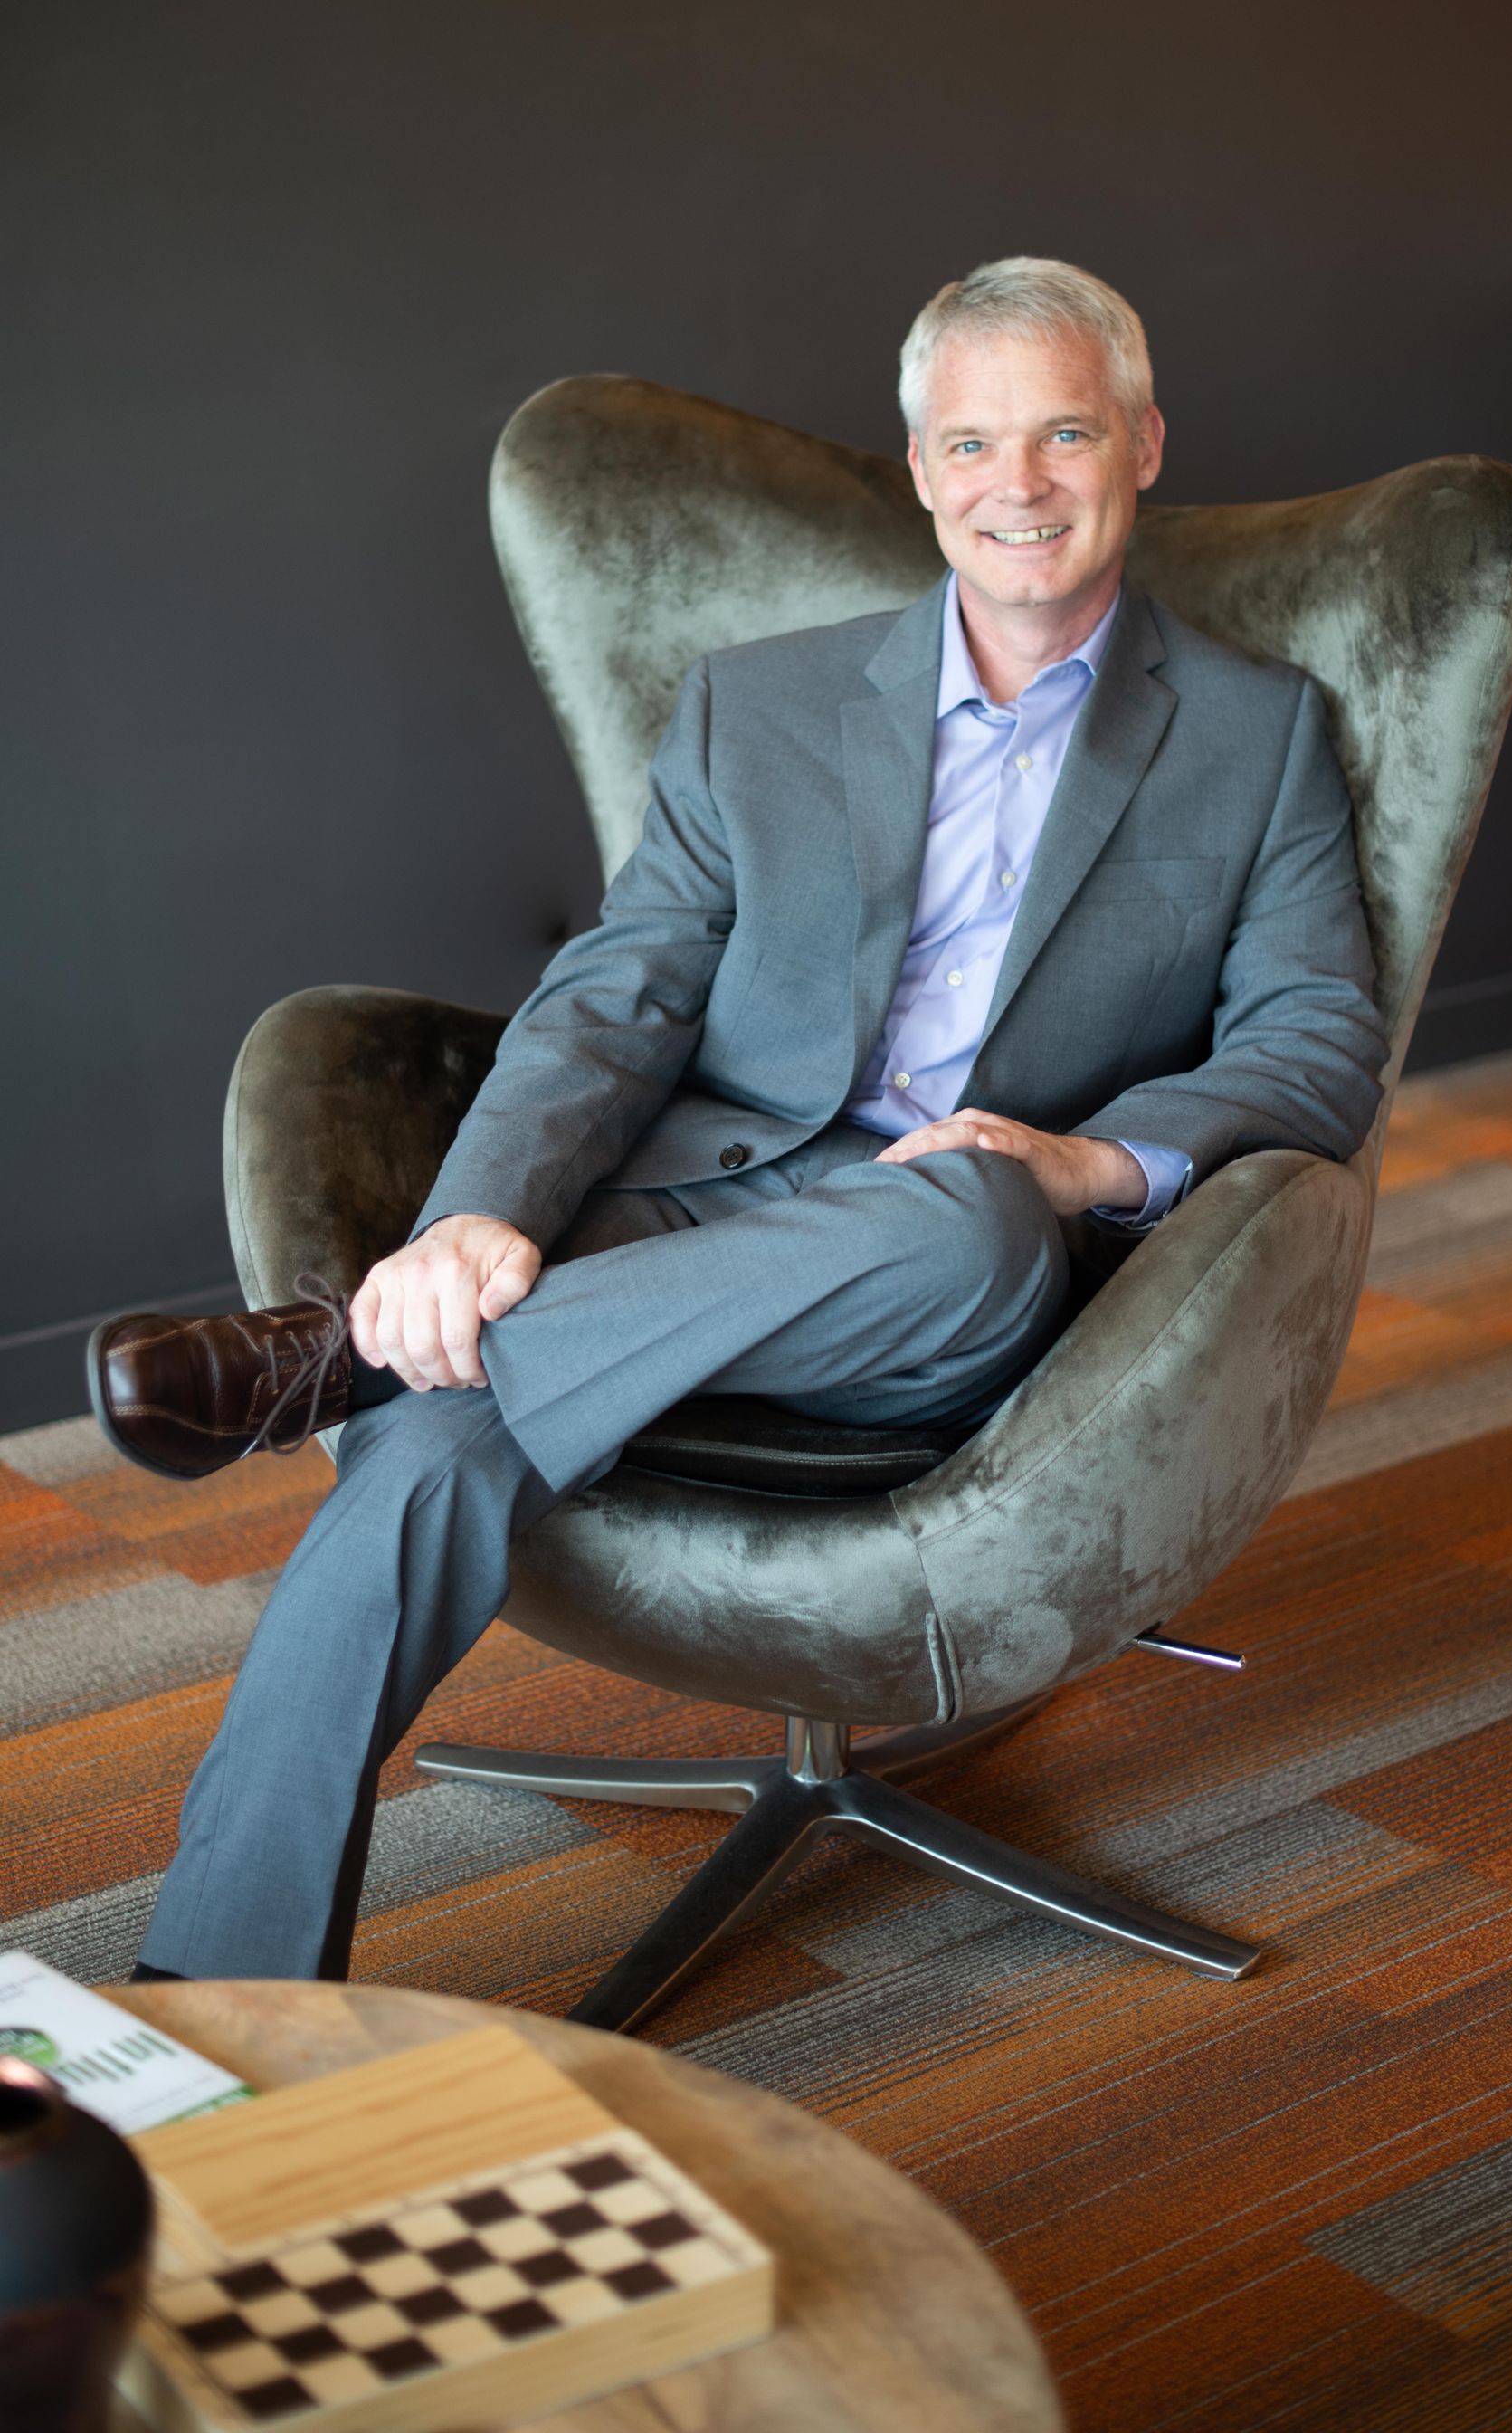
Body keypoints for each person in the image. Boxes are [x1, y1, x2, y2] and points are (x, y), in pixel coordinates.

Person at [91, 257, 1386, 1982]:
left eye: (1066, 433)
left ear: (1143, 444)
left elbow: (1319, 1037)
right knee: (432, 1446)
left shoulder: (1257, 733)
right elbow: (617, 993)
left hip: (956, 1262)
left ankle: (337, 1357)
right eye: (972, 442)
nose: (1018, 483)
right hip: (693, 1214)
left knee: (968, 1213)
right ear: (920, 467)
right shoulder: (757, 704)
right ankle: (208, 1994)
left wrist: (1080, 1161)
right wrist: (479, 1218)